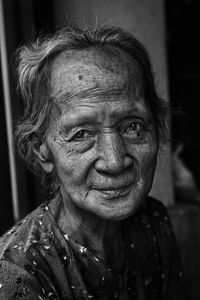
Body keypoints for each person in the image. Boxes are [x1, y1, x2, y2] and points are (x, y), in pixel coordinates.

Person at [0, 25, 187, 299]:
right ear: (43, 151)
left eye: (133, 127)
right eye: (82, 134)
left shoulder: (152, 220)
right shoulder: (18, 274)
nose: (114, 162)